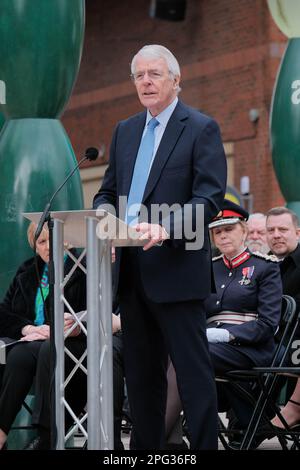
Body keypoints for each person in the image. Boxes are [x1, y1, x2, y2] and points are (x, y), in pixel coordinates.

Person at [93, 44, 227, 449]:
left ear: (175, 79)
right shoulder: (125, 130)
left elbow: (210, 199)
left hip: (177, 273)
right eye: (139, 76)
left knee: (192, 377)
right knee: (142, 379)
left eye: (155, 74)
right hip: (132, 274)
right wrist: (104, 220)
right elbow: (107, 192)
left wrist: (166, 228)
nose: (146, 82)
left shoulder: (200, 127)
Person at [0, 222, 87, 450]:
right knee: (13, 353)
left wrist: (64, 327)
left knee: (22, 356)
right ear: (34, 246)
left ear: (68, 240)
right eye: (42, 241)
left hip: (70, 343)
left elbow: (93, 311)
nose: (49, 246)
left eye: (55, 239)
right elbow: (4, 313)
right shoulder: (27, 271)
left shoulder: (83, 268)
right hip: (30, 340)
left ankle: (43, 436)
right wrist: (27, 329)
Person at [265, 207, 300, 430]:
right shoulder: (262, 266)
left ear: (297, 233)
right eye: (271, 230)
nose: (276, 234)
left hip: (292, 343)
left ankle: (295, 407)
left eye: (283, 229)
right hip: (265, 340)